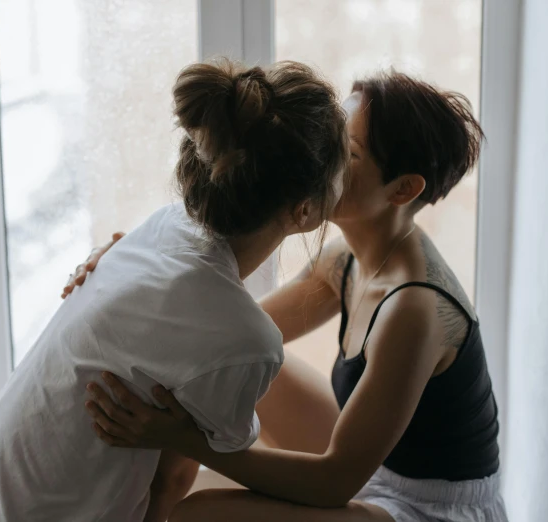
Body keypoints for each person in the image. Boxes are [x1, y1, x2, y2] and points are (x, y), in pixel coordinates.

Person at [73, 72, 508, 522]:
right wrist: (136, 257)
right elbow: (213, 334)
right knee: (229, 358)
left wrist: (184, 438)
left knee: (199, 516)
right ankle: (151, 504)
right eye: (336, 136)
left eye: (350, 153)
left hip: (428, 508)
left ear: (403, 189)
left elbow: (334, 481)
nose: (326, 156)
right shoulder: (344, 263)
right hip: (373, 465)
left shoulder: (412, 309)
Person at [0, 58, 348, 522]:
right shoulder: (244, 340)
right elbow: (171, 486)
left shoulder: (164, 225)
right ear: (304, 212)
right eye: (347, 163)